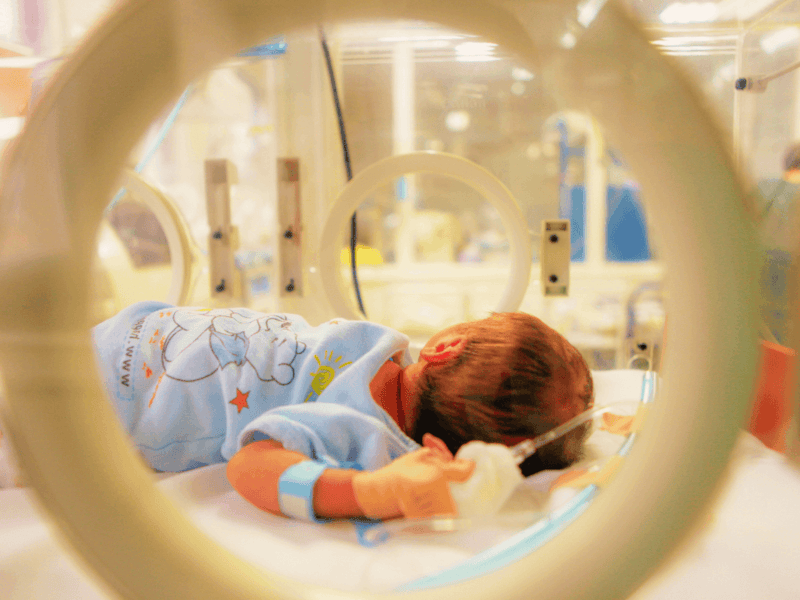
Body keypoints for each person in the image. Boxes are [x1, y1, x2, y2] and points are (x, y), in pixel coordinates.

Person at [92, 301, 593, 521]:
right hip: (128, 337)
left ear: (444, 346)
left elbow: (252, 468)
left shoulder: (360, 429)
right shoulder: (381, 346)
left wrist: (371, 491)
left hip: (105, 403)